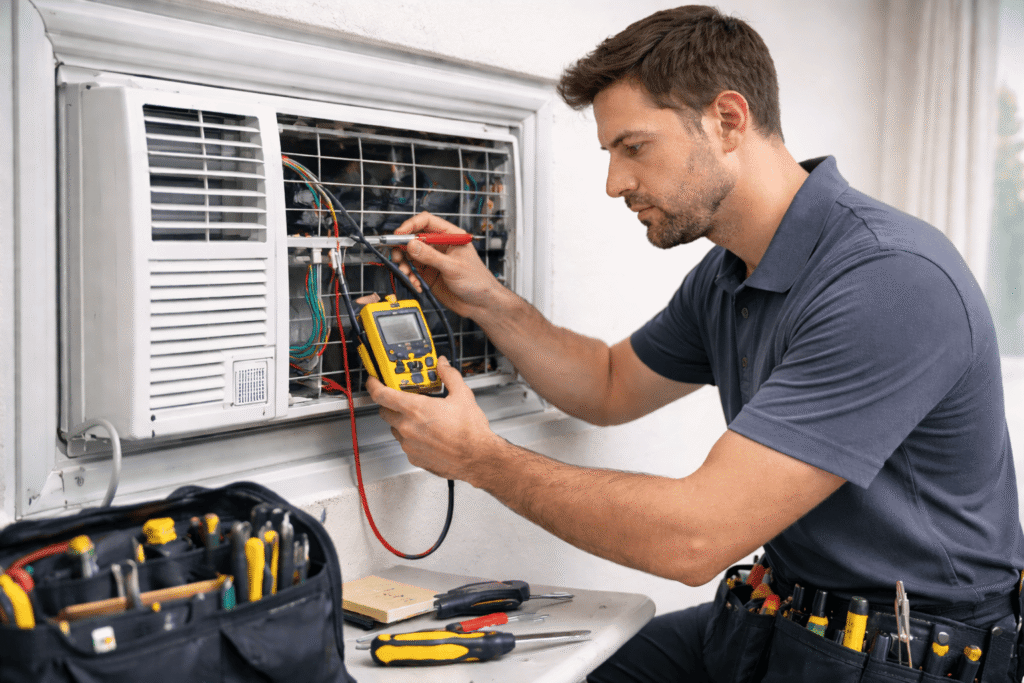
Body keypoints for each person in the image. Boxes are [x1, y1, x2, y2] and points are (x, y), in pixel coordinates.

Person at [365, 5, 1024, 681]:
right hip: (778, 613)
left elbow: (695, 536)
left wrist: (480, 458)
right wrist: (485, 298)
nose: (615, 182)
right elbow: (609, 382)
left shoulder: (890, 279)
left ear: (728, 120)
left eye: (634, 147)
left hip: (907, 655)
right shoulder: (729, 272)